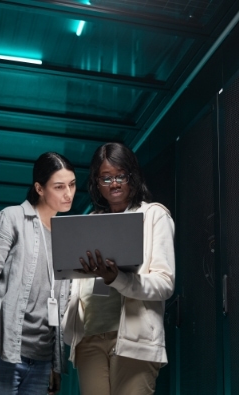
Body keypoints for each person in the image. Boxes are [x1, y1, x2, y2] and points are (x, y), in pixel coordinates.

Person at [62, 142, 175, 395]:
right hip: (89, 339)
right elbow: (77, 287)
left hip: (135, 342)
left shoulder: (154, 216)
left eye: (120, 176)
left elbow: (165, 284)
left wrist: (117, 278)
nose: (114, 183)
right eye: (106, 178)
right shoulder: (89, 221)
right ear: (96, 183)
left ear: (132, 176)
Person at [0, 152, 76, 395]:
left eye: (72, 184)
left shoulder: (66, 237)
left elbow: (61, 305)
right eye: (59, 187)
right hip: (0, 351)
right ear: (39, 188)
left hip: (41, 362)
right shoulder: (11, 218)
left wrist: (55, 365)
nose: (68, 193)